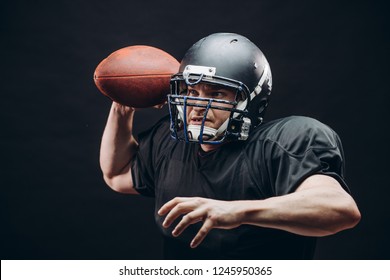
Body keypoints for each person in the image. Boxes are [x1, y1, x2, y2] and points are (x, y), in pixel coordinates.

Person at [99, 33, 361, 259]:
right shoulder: (169, 143)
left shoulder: (280, 142)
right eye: (192, 92)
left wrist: (236, 210)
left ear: (250, 100)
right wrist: (122, 109)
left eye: (216, 94)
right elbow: (117, 174)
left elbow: (340, 209)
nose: (198, 105)